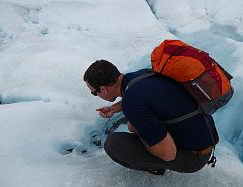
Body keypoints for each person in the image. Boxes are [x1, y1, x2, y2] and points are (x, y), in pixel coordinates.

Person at [83, 59, 217, 175]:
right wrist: (114, 108)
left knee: (114, 144)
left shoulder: (133, 103)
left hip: (193, 158)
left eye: (94, 93)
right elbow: (144, 98)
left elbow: (168, 154)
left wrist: (138, 130)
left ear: (103, 89)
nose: (96, 95)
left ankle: (155, 168)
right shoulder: (143, 75)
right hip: (205, 137)